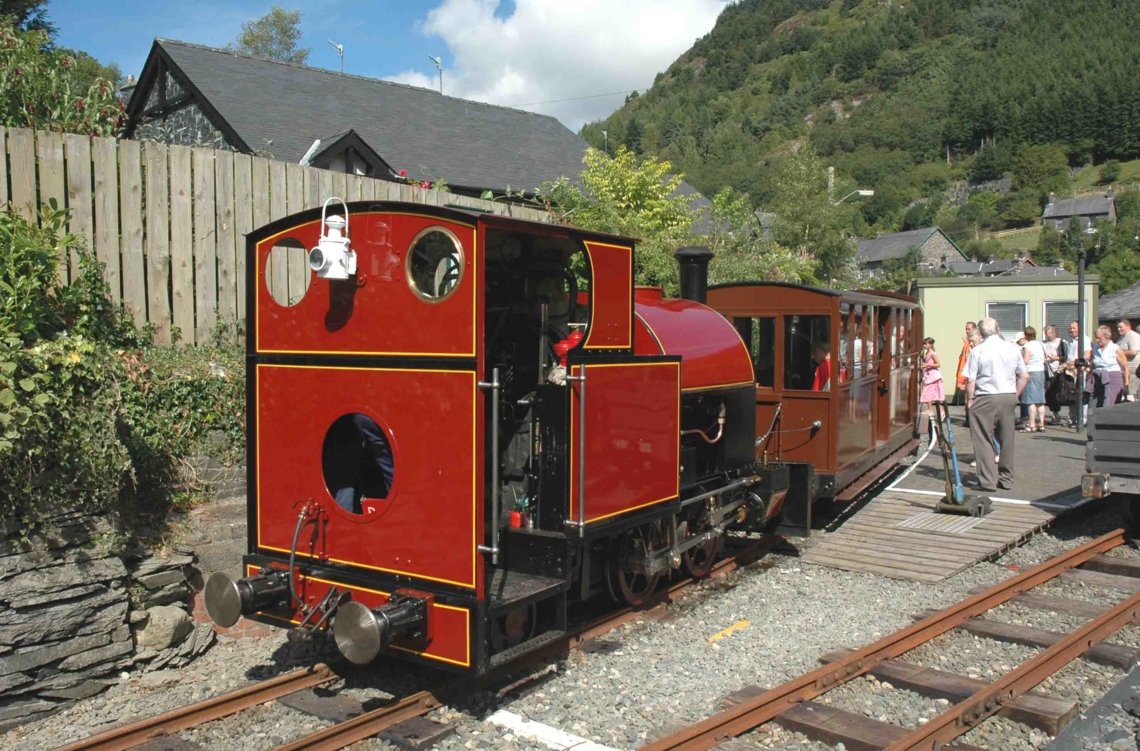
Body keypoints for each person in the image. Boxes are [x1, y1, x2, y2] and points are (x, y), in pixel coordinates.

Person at [965, 318, 1028, 492]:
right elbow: (1024, 376)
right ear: (998, 329)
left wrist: (970, 400)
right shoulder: (1013, 348)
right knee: (1007, 438)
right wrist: (1015, 395)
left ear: (981, 332)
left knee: (983, 439)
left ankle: (987, 480)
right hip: (1007, 395)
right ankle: (1007, 478)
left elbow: (971, 379)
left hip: (985, 396)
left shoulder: (977, 351)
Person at [1060, 320, 1092, 428]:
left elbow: (1086, 355)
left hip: (1080, 371)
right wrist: (1065, 365)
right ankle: (1072, 418)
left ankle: (1082, 419)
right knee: (1071, 395)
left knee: (1081, 395)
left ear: (1080, 328)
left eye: (1074, 328)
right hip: (1070, 372)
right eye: (1070, 328)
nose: (1071, 330)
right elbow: (1069, 356)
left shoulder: (1085, 339)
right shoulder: (1069, 341)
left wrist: (1073, 364)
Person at [1089, 324, 1130, 407]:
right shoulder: (1095, 348)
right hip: (1098, 378)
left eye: (1099, 338)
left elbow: (1126, 368)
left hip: (1112, 378)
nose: (1097, 340)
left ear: (1107, 337)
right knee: (1094, 405)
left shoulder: (1115, 348)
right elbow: (1092, 364)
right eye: (1096, 337)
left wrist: (1126, 385)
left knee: (1108, 405)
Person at [1019, 327, 1047, 432]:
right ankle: (1041, 424)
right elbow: (1045, 358)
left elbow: (1026, 360)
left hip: (1031, 371)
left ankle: (1032, 424)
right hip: (1041, 371)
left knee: (1030, 400)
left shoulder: (1027, 345)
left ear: (1026, 335)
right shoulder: (1041, 344)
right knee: (1040, 400)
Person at [919, 337, 944, 430]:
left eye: (926, 344)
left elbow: (938, 364)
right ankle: (932, 409)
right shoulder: (926, 353)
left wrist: (928, 365)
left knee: (931, 391)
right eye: (924, 344)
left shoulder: (933, 354)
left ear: (930, 344)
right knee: (929, 392)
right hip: (929, 375)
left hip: (933, 375)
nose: (924, 345)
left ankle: (935, 409)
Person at [1042, 325, 1063, 424]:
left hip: (1056, 370)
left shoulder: (1060, 342)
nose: (1047, 335)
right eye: (1046, 333)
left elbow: (1064, 356)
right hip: (1046, 369)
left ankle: (1056, 414)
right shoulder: (1043, 343)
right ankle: (1055, 414)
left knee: (1055, 393)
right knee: (1048, 393)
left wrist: (1056, 358)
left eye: (1049, 333)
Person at [1117, 319, 1140, 401]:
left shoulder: (1133, 336)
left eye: (1120, 327)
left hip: (1132, 369)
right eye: (1118, 327)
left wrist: (1119, 352)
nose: (1118, 329)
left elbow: (1134, 352)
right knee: (1124, 393)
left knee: (1130, 393)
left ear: (1127, 326)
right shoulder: (1121, 338)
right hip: (1122, 369)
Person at [956, 321, 978, 406]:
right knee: (967, 398)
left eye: (968, 329)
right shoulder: (966, 344)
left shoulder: (975, 345)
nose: (966, 331)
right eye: (966, 329)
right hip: (966, 374)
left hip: (974, 375)